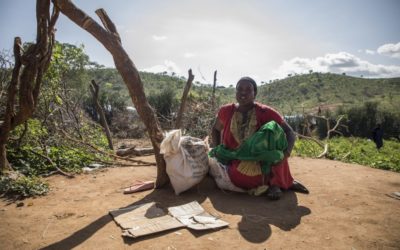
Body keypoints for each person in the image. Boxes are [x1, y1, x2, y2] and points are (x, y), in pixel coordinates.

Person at [211, 76, 308, 200]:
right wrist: (218, 149)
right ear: (235, 92)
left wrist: (286, 154)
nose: (243, 92)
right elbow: (215, 128)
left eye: (248, 89)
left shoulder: (265, 112)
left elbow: (289, 132)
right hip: (236, 158)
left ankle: (276, 183)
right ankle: (280, 182)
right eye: (239, 89)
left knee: (273, 131)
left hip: (263, 158)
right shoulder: (226, 111)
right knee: (240, 175)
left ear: (255, 93)